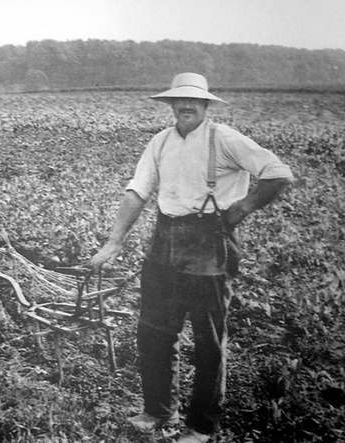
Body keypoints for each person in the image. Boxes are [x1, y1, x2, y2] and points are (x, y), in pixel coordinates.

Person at [89, 73, 293, 443]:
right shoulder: (161, 141)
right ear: (170, 104)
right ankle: (158, 411)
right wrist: (114, 241)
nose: (185, 106)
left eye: (193, 101)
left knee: (208, 340)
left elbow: (277, 174)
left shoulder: (224, 139)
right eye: (178, 101)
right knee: (154, 331)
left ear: (206, 105)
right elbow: (137, 191)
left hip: (209, 245)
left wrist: (240, 210)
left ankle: (201, 426)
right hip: (164, 240)